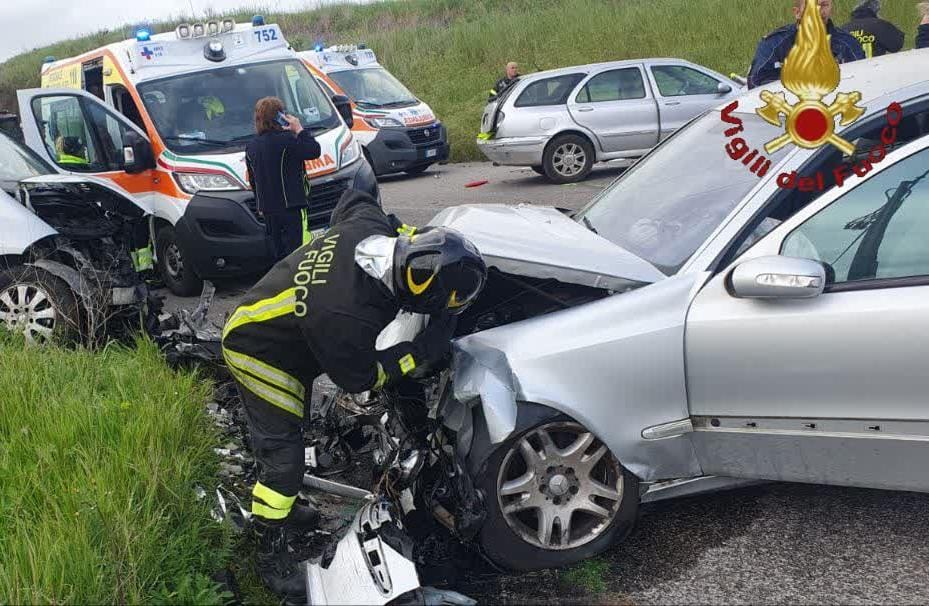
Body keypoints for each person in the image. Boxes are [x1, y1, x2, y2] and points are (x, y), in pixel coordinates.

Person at [221, 189, 487, 598]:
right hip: (257, 350)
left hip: (276, 328)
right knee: (284, 457)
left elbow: (355, 197)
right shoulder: (346, 316)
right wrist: (420, 351)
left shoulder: (370, 230)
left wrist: (403, 233)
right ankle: (269, 547)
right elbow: (363, 379)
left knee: (288, 435)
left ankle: (283, 507)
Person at [246, 97, 321, 261]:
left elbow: (253, 180)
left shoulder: (251, 146)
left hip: (268, 209)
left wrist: (260, 204)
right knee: (298, 254)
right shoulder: (288, 140)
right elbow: (314, 150)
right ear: (280, 116)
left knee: (278, 256)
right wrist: (299, 129)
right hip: (292, 205)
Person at [748, 0, 865, 89]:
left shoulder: (848, 43)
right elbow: (755, 83)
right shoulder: (774, 44)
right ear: (797, 12)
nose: (819, 10)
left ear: (831, 9)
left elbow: (864, 81)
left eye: (824, 5)